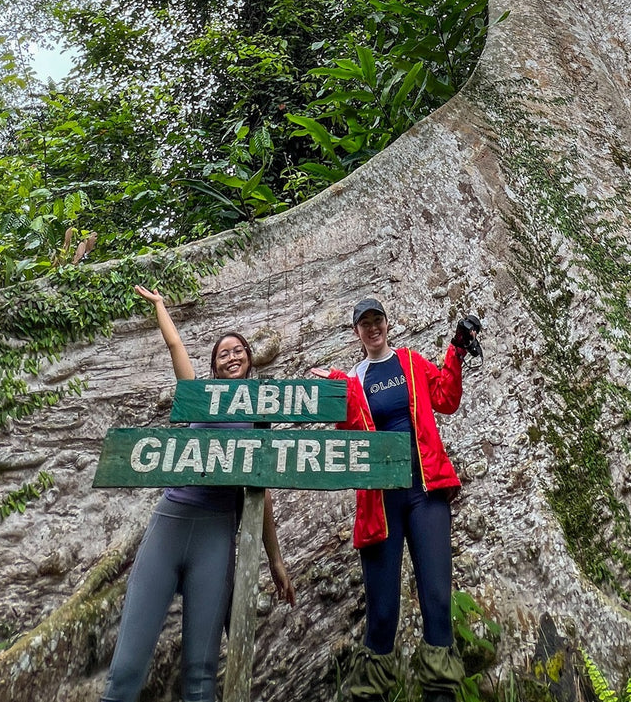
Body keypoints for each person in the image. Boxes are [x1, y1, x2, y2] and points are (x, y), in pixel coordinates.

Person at [101, 285, 295, 702]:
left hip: (216, 534)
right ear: (213, 367)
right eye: (223, 352)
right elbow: (175, 348)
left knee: (201, 674)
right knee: (126, 670)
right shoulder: (199, 397)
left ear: (249, 361)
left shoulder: (259, 415)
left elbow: (261, 498)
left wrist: (276, 559)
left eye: (238, 350)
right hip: (173, 521)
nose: (231, 355)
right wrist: (160, 307)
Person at [311, 298, 481, 702]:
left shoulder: (409, 361)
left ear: (387, 324)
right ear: (356, 332)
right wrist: (336, 389)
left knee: (437, 600)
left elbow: (446, 398)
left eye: (377, 320)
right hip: (381, 504)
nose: (372, 328)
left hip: (425, 495)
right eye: (363, 324)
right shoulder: (354, 378)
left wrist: (455, 350)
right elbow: (348, 431)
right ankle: (371, 693)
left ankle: (441, 692)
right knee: (382, 612)